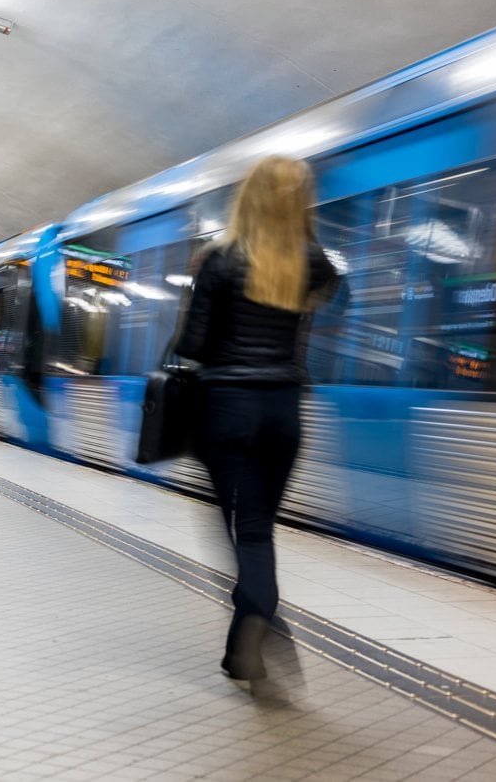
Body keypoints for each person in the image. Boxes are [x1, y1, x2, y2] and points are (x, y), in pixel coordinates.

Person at [174, 155, 341, 683]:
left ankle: (256, 611)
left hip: (227, 407)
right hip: (285, 410)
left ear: (247, 198)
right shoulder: (315, 262)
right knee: (258, 527)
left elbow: (192, 345)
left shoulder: (220, 259)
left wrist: (197, 289)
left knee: (240, 529)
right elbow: (321, 308)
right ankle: (247, 634)